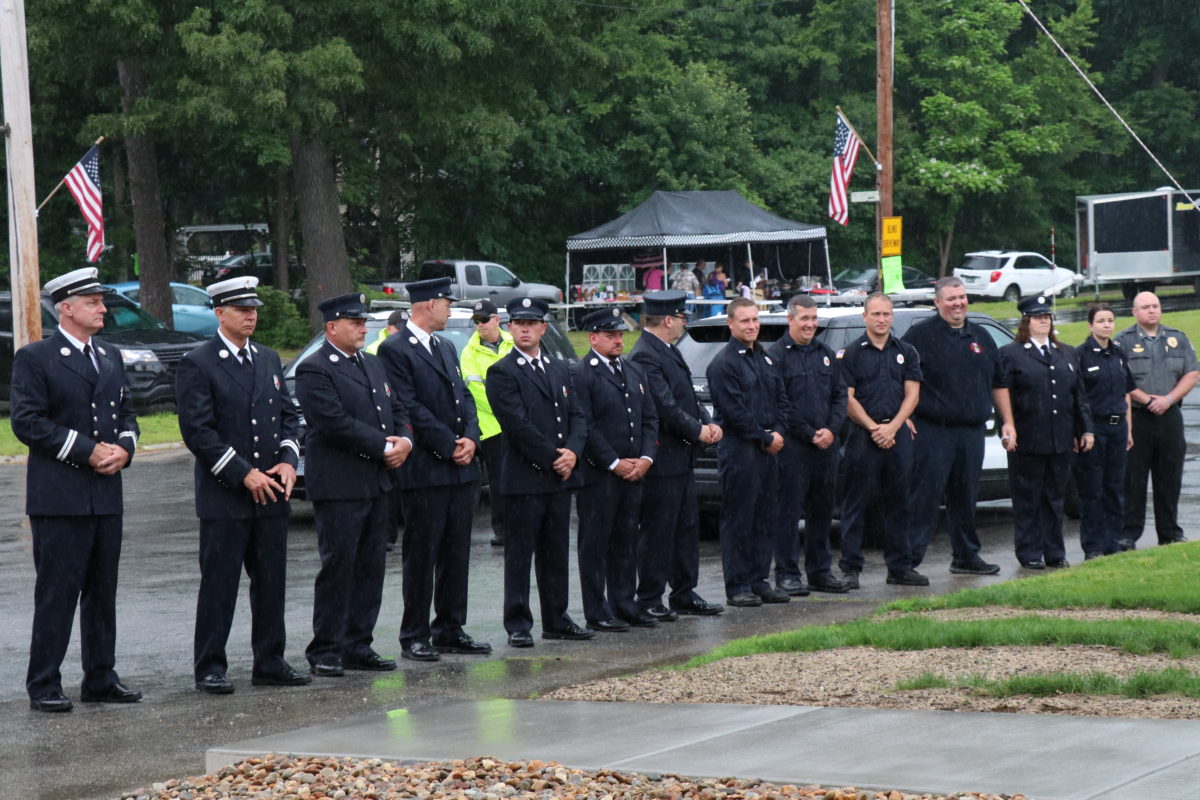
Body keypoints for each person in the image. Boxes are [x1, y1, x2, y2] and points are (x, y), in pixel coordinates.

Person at [11, 267, 142, 712]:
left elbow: (128, 415)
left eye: (101, 301)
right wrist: (86, 451)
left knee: (102, 592)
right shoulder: (36, 357)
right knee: (58, 593)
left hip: (106, 493)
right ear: (66, 308)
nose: (103, 308)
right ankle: (44, 682)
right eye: (93, 302)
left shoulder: (109, 356)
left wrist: (124, 450)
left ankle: (101, 677)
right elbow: (27, 422)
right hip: (60, 496)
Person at [175, 276, 310, 695]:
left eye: (253, 309)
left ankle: (269, 661)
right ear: (219, 313)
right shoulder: (199, 361)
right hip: (225, 496)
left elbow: (290, 416)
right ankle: (210, 666)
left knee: (271, 582)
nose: (250, 316)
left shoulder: (267, 358)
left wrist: (288, 461)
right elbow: (197, 431)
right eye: (241, 310)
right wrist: (241, 472)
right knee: (220, 584)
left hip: (271, 491)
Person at [296, 292, 413, 677]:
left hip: (377, 483)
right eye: (355, 322)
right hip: (340, 485)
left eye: (364, 322)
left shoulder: (373, 364)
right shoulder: (315, 369)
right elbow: (333, 422)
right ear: (332, 327)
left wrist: (404, 440)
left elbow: (396, 409)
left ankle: (358, 644)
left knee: (371, 567)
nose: (364, 328)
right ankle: (326, 647)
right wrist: (383, 446)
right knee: (339, 567)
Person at [378, 277, 491, 662]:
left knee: (457, 553)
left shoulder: (444, 346)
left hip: (460, 468)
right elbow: (409, 408)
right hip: (426, 468)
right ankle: (414, 633)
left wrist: (472, 439)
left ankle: (450, 628)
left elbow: (464, 397)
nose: (450, 309)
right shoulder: (396, 349)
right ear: (427, 304)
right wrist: (448, 444)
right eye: (446, 303)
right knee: (422, 555)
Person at [485, 297, 593, 647]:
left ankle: (556, 618)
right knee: (520, 554)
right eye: (518, 323)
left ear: (544, 328)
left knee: (555, 552)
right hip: (525, 477)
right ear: (509, 328)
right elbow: (517, 424)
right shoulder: (502, 371)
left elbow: (579, 415)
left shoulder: (562, 369)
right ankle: (518, 622)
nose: (525, 329)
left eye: (532, 323)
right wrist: (553, 457)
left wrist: (574, 452)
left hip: (560, 477)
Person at [902, 277, 1011, 575]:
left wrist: (1008, 422)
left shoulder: (980, 335)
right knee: (925, 497)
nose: (958, 303)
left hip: (972, 431)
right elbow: (902, 379)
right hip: (934, 430)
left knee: (965, 497)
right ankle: (906, 562)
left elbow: (999, 382)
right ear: (937, 302)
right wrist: (905, 417)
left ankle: (965, 557)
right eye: (951, 298)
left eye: (962, 297)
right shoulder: (920, 336)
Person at [629, 291, 725, 618]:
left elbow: (689, 396)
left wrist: (708, 423)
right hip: (662, 457)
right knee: (658, 529)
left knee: (685, 527)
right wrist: (697, 431)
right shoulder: (645, 354)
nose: (684, 322)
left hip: (683, 457)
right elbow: (664, 406)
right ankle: (650, 597)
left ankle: (684, 591)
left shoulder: (669, 349)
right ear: (668, 319)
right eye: (682, 317)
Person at [571, 307, 659, 632]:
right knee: (595, 543)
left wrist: (646, 458)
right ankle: (597, 609)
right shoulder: (582, 374)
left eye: (620, 334)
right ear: (593, 337)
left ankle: (625, 602)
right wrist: (613, 462)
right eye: (610, 335)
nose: (618, 340)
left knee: (626, 539)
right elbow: (586, 425)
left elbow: (650, 418)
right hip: (600, 474)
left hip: (634, 471)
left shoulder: (634, 371)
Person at [705, 297, 791, 607]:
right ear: (730, 324)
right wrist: (765, 437)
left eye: (755, 320)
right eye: (745, 321)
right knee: (739, 518)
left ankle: (759, 580)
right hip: (741, 450)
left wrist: (779, 431)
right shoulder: (723, 364)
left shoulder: (766, 359)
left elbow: (782, 400)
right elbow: (734, 412)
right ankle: (738, 585)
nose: (752, 325)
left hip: (769, 449)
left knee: (765, 516)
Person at [838, 293, 927, 588]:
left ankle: (900, 567)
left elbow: (912, 394)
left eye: (886, 314)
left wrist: (893, 428)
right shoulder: (851, 353)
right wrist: (875, 428)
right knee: (855, 503)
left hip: (897, 434)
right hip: (862, 435)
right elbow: (847, 399)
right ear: (865, 317)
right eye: (875, 314)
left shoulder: (907, 351)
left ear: (892, 316)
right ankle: (850, 569)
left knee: (900, 502)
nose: (881, 319)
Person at [999, 294, 1093, 569]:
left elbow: (1079, 396)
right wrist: (1009, 427)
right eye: (1038, 317)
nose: (1044, 321)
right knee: (1028, 498)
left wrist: (1085, 430)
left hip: (1060, 438)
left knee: (1055, 498)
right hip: (1027, 438)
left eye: (1047, 317)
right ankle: (1029, 551)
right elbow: (1003, 393)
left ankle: (1054, 551)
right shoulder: (1011, 354)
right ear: (1026, 321)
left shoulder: (1066, 352)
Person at [768, 295, 850, 595]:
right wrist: (808, 432)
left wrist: (831, 429)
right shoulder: (776, 356)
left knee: (822, 511)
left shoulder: (826, 353)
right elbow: (781, 402)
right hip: (793, 448)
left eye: (814, 319)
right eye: (804, 319)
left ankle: (820, 572)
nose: (810, 324)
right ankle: (787, 574)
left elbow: (841, 396)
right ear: (790, 319)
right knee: (788, 513)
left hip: (826, 447)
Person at [1116, 291, 1200, 549]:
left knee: (1169, 476)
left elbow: (1192, 373)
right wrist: (1147, 400)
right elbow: (1121, 379)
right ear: (1135, 312)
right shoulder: (1123, 341)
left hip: (1169, 415)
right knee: (1134, 479)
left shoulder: (1177, 338)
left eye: (1155, 306)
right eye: (1145, 307)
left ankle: (1170, 532)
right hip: (1139, 417)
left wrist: (1168, 400)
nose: (1152, 310)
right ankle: (1129, 534)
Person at [1073, 303, 1136, 559]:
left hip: (1117, 426)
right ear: (1090, 325)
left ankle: (1113, 542)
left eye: (1110, 320)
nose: (1107, 325)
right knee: (1092, 489)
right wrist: (1082, 430)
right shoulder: (1081, 355)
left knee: (1114, 487)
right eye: (1101, 321)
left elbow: (1126, 393)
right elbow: (1078, 399)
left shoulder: (1120, 354)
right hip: (1094, 428)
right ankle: (1093, 545)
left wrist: (1128, 429)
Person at [460, 299, 514, 547]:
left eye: (484, 319)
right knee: (498, 481)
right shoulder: (469, 352)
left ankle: (523, 525)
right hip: (491, 427)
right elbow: (476, 391)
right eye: (476, 321)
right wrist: (509, 410)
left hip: (519, 425)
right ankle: (502, 529)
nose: (480, 325)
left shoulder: (514, 343)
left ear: (497, 320)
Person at [366, 309, 409, 550]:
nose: (400, 332)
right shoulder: (376, 350)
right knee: (389, 484)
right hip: (383, 423)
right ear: (389, 328)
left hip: (399, 419)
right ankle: (387, 535)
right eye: (398, 328)